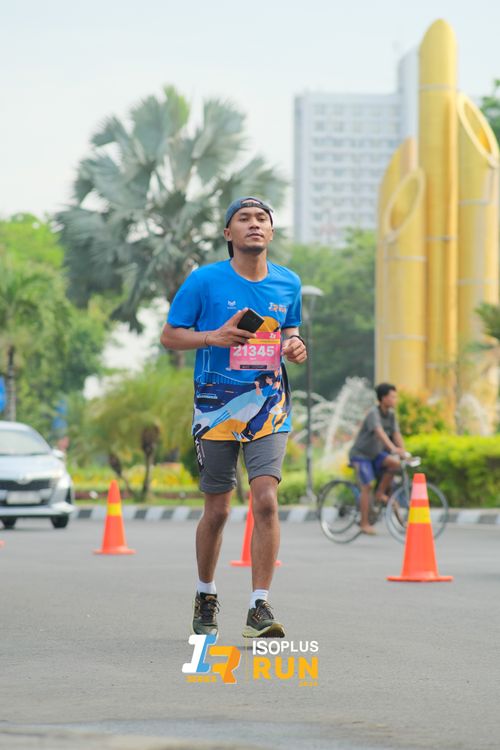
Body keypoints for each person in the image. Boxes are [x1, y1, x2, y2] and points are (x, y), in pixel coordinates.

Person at [160, 197, 307, 638]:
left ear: (271, 232)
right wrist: (213, 337)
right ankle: (205, 594)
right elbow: (170, 335)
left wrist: (295, 345)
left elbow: (290, 330)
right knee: (218, 510)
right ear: (229, 233)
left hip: (268, 404)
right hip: (216, 407)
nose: (254, 224)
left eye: (262, 219)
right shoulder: (204, 281)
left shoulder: (288, 282)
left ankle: (259, 606)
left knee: (266, 500)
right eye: (243, 219)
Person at [349, 382, 407, 535]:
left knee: (395, 464)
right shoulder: (373, 413)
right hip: (361, 455)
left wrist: (403, 452)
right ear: (383, 398)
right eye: (392, 397)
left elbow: (396, 434)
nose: (395, 400)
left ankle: (380, 493)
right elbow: (379, 433)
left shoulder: (391, 415)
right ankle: (364, 523)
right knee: (367, 485)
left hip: (376, 455)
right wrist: (393, 449)